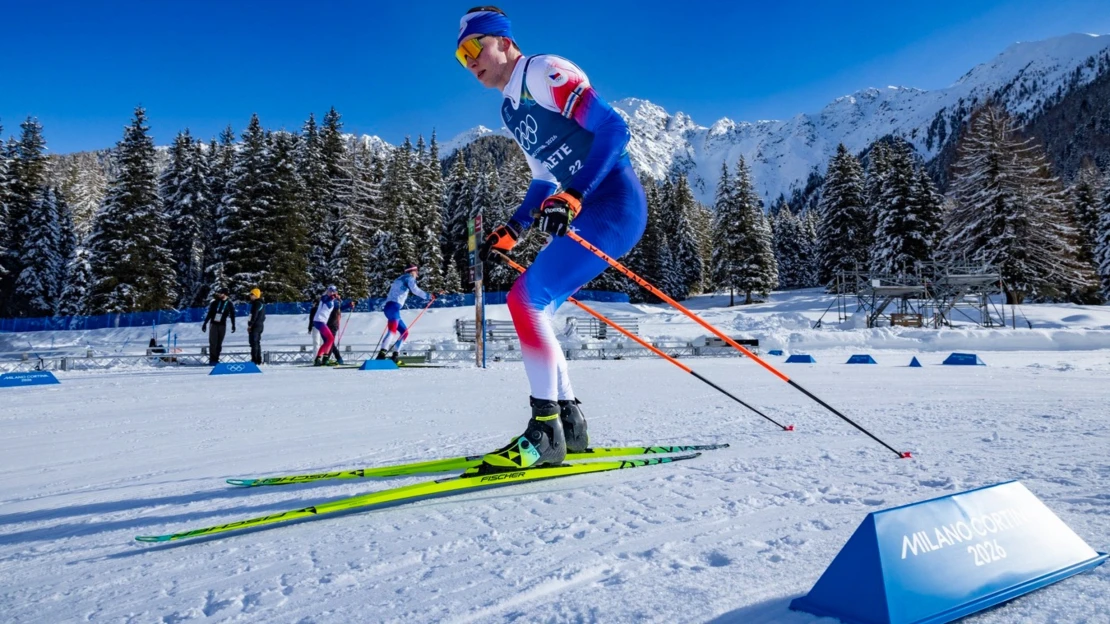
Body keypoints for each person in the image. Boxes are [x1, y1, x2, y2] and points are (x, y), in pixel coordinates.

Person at [461, 6, 647, 470]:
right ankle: (568, 423)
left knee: (525, 299)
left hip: (613, 203)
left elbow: (613, 128)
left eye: (473, 47)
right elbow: (544, 177)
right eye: (460, 56)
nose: (469, 61)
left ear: (503, 41)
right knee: (536, 305)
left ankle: (545, 431)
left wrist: (576, 194)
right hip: (586, 206)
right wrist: (514, 229)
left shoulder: (542, 72)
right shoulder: (510, 108)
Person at [375, 264, 431, 362]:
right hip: (393, 307)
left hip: (391, 308)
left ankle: (395, 356)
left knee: (404, 332)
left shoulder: (400, 278)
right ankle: (381, 355)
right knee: (392, 331)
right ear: (412, 272)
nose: (417, 274)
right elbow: (415, 290)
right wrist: (429, 296)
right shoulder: (409, 278)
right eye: (416, 272)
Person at [201, 287, 236, 365]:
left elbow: (232, 315)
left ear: (225, 294)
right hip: (214, 324)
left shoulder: (229, 304)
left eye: (221, 293)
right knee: (213, 343)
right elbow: (210, 313)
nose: (220, 295)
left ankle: (216, 358)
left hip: (222, 325)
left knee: (219, 343)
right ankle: (212, 359)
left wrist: (233, 325)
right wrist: (205, 323)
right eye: (219, 293)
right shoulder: (215, 302)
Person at [310, 285, 341, 366]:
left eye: (333, 291)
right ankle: (324, 359)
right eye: (330, 291)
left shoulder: (334, 301)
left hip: (322, 322)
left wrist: (350, 305)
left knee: (329, 340)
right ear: (327, 291)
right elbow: (326, 299)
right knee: (330, 339)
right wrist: (333, 296)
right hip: (318, 320)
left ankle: (320, 359)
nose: (331, 292)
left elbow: (340, 308)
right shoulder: (325, 298)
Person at [247, 288, 266, 365]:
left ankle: (255, 360)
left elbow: (254, 315)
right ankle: (258, 359)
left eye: (251, 294)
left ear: (255, 295)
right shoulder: (261, 303)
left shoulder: (257, 303)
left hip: (255, 326)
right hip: (259, 325)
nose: (250, 296)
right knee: (256, 342)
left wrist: (250, 325)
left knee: (254, 343)